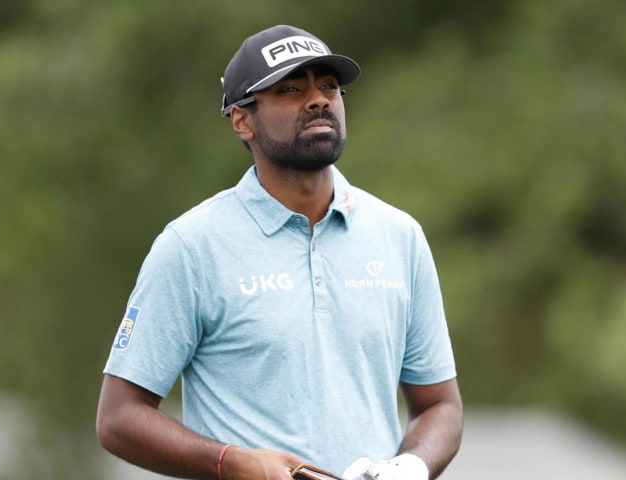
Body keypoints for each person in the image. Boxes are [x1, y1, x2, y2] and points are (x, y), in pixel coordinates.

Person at [96, 24, 463, 480]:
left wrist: (409, 467)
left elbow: (440, 405)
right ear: (242, 120)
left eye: (329, 86)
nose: (318, 100)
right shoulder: (191, 247)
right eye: (291, 89)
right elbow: (118, 419)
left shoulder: (399, 236)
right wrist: (231, 462)